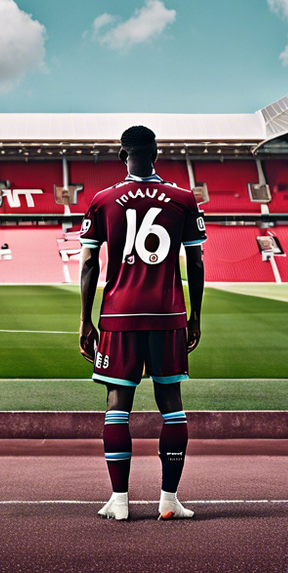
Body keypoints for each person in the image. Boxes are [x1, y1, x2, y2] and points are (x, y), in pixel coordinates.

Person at [78, 125, 205, 521]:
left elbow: (87, 264)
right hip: (168, 315)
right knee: (172, 406)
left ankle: (119, 502)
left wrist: (85, 320)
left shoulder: (103, 200)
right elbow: (196, 263)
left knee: (117, 405)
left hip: (118, 315)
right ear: (157, 153)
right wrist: (194, 316)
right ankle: (169, 500)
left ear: (122, 155)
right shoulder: (183, 198)